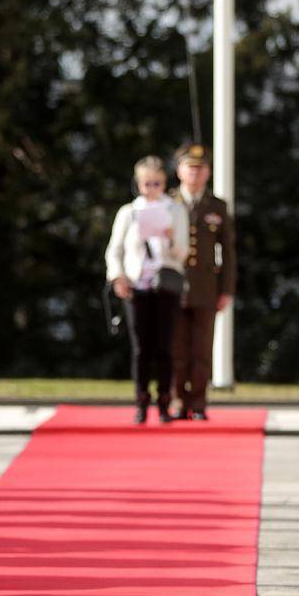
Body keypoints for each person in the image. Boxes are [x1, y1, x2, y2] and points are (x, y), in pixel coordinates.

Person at [104, 155, 188, 423]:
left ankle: (164, 401)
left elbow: (183, 253)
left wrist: (170, 238)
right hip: (137, 284)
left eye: (157, 183)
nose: (152, 189)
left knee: (165, 346)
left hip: (165, 283)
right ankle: (141, 400)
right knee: (141, 347)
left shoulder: (175, 211)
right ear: (138, 184)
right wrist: (118, 277)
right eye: (146, 184)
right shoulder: (128, 213)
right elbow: (114, 250)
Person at [168, 143, 235, 421]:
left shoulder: (216, 206)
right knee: (176, 348)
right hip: (173, 285)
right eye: (190, 167)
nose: (195, 173)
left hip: (207, 287)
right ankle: (176, 400)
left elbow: (228, 252)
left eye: (200, 168)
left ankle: (198, 402)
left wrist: (227, 289)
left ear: (207, 173)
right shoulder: (169, 202)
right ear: (179, 171)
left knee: (201, 348)